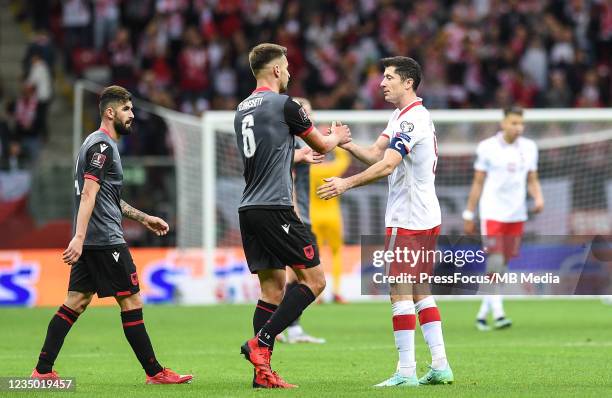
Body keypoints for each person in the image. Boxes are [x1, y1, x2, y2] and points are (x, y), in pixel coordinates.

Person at [30, 85, 192, 385]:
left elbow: (108, 197)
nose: (131, 115)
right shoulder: (103, 146)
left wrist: (144, 218)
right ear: (110, 112)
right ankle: (155, 372)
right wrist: (78, 237)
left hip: (93, 238)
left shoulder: (92, 144)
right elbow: (89, 193)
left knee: (75, 301)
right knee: (131, 303)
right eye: (127, 110)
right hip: (105, 240)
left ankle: (42, 371)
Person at [317, 56, 453, 387]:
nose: (382, 82)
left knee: (399, 291)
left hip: (408, 218)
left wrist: (345, 183)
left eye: (389, 77)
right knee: (420, 289)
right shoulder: (401, 116)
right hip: (426, 214)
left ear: (408, 83)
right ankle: (440, 365)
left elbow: (388, 166)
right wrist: (347, 143)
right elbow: (377, 154)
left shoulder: (411, 122)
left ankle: (406, 372)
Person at [235, 43, 351, 388]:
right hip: (276, 208)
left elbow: (266, 153)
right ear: (275, 70)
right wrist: (337, 136)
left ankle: (263, 374)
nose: (289, 73)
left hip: (249, 208)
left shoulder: (242, 109)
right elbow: (322, 145)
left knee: (271, 290)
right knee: (315, 281)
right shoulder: (284, 104)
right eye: (286, 67)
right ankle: (261, 343)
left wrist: (293, 158)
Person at [463, 106, 544, 331]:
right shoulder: (487, 147)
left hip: (516, 214)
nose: (518, 128)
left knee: (502, 265)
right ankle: (499, 314)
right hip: (492, 213)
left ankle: (482, 314)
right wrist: (469, 213)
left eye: (521, 123)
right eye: (514, 123)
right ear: (503, 123)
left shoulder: (529, 148)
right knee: (495, 262)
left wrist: (538, 198)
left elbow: (532, 178)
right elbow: (478, 182)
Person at [277, 97, 326, 344]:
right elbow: (290, 178)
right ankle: (276, 327)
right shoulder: (294, 142)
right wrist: (294, 214)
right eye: (304, 112)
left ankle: (287, 328)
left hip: (298, 215)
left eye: (309, 112)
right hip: (295, 217)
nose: (308, 117)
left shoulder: (293, 141)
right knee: (306, 277)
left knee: (294, 277)